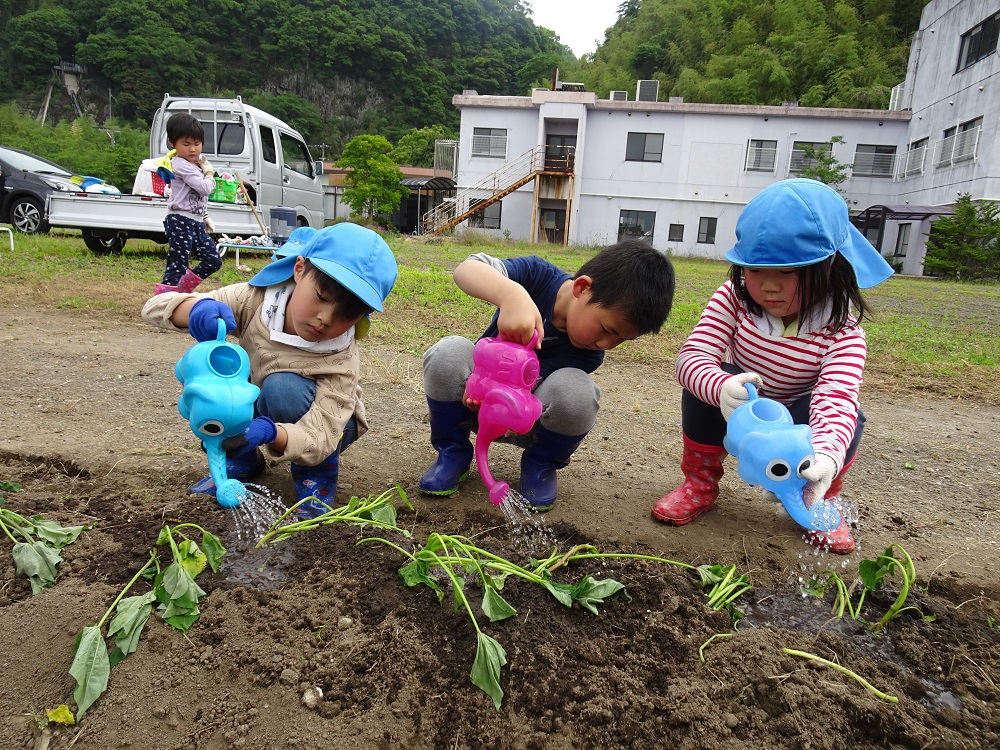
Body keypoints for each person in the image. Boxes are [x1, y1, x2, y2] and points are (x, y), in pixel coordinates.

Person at [650, 178, 894, 554]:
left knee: (851, 419)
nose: (768, 286)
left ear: (829, 266)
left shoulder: (842, 330)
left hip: (798, 428)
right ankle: (699, 485)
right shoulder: (733, 299)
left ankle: (817, 498)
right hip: (741, 412)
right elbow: (691, 358)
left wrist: (826, 456)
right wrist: (720, 388)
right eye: (756, 270)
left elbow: (836, 399)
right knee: (707, 384)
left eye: (787, 272)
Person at [142, 222, 398, 518]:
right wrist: (193, 311)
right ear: (299, 269)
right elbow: (153, 307)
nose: (326, 318)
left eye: (346, 314)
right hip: (261, 403)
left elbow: (322, 435)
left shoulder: (340, 355)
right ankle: (241, 458)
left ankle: (315, 477)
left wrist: (270, 432)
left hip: (330, 427)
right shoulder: (256, 301)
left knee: (283, 388)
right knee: (219, 389)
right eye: (322, 297)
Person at [419, 239, 675, 510]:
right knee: (448, 352)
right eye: (607, 330)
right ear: (582, 288)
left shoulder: (589, 354)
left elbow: (531, 388)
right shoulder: (537, 276)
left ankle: (540, 466)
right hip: (471, 404)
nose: (606, 344)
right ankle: (453, 453)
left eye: (621, 340)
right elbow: (466, 269)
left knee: (578, 393)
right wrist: (511, 295)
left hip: (524, 422)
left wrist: (502, 402)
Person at [154, 113, 224, 295]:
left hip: (196, 222)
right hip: (180, 220)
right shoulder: (180, 164)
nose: (192, 149)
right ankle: (163, 302)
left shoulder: (195, 164)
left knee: (213, 259)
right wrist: (209, 173)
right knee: (177, 265)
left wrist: (205, 216)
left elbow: (195, 197)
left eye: (197, 144)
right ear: (172, 143)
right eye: (186, 144)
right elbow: (205, 188)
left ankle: (181, 291)